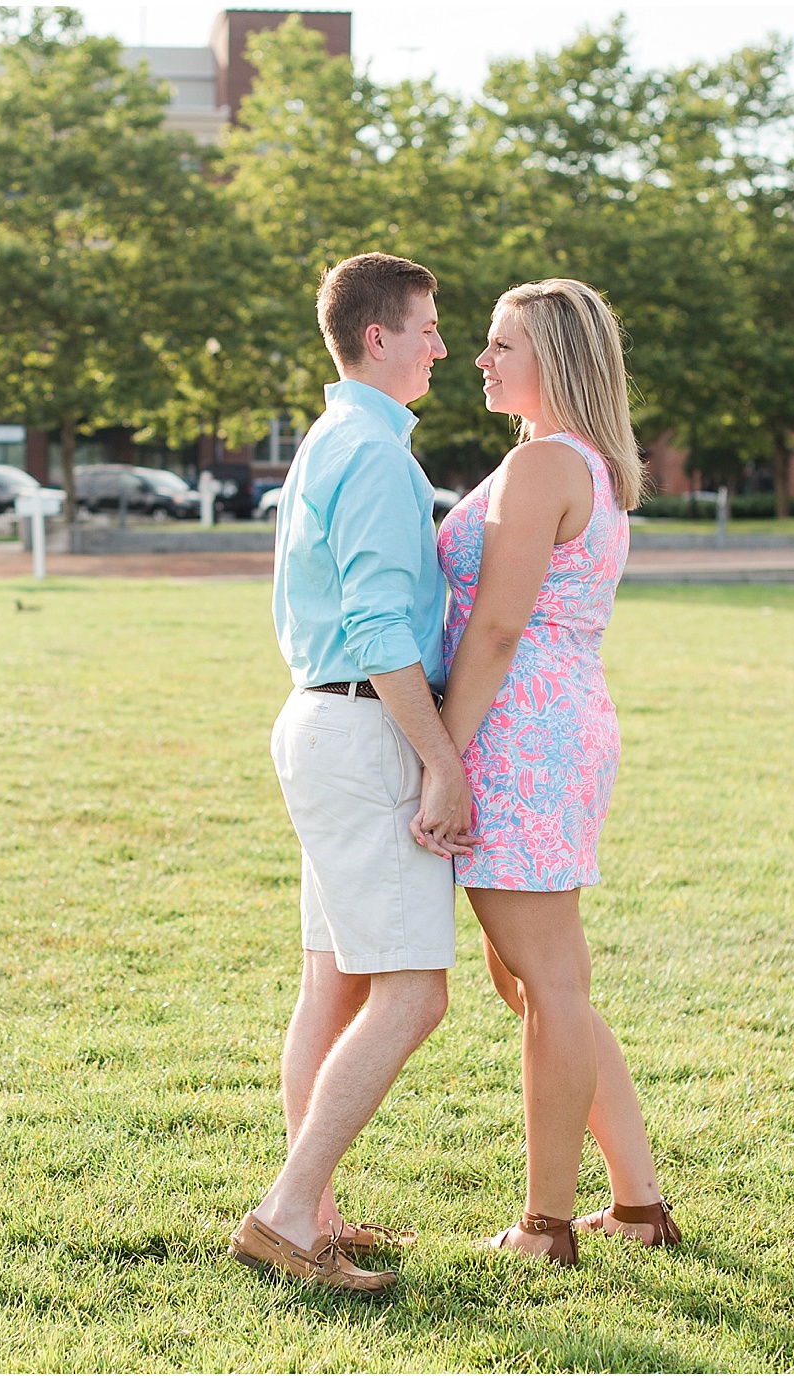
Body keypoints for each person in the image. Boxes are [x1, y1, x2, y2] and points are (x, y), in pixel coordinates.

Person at [230, 253, 476, 1293]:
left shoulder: (336, 438)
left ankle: (313, 1212)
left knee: (331, 984)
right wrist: (440, 762)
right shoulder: (374, 457)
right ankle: (287, 1216)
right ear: (378, 337)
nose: (442, 345)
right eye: (426, 326)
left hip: (323, 722)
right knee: (414, 994)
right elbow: (379, 626)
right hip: (363, 724)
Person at [437, 279, 680, 1266]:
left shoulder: (543, 465)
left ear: (557, 362)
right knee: (542, 983)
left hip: (518, 738)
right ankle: (636, 1204)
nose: (482, 360)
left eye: (502, 346)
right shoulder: (574, 464)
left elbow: (496, 626)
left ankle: (545, 1226)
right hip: (551, 727)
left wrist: (440, 754)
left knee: (548, 985)